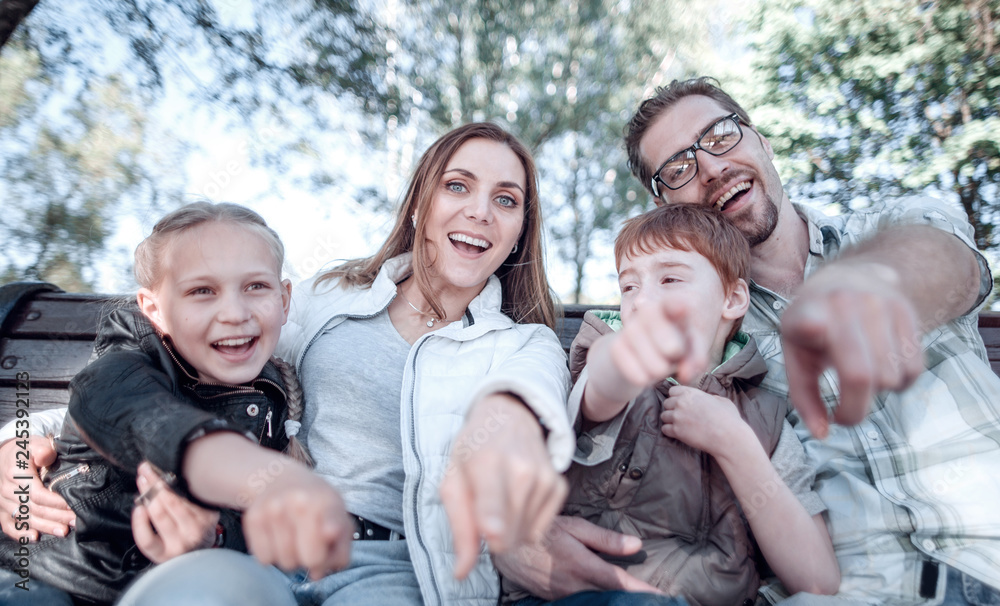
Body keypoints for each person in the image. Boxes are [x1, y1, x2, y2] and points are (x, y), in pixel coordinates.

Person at [2, 122, 574, 606]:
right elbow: (194, 370)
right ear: (423, 203)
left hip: (392, 567)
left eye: (506, 199)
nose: (480, 212)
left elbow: (525, 410)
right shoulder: (336, 296)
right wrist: (22, 436)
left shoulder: (523, 344)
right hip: (255, 544)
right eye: (458, 186)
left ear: (520, 229)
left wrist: (506, 447)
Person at [497, 77, 1000, 604]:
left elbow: (951, 267)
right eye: (679, 168)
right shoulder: (705, 341)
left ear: (761, 140)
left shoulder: (891, 226)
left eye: (720, 137)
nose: (712, 168)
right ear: (668, 204)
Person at [0, 202, 350, 606]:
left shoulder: (273, 406)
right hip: (45, 570)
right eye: (202, 291)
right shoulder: (130, 357)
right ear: (154, 310)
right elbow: (122, 402)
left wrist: (215, 536)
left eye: (256, 286)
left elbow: (242, 526)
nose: (235, 313)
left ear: (285, 299)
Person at [504, 204, 839, 606]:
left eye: (669, 279)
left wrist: (735, 444)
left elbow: (818, 580)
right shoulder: (599, 367)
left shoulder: (762, 419)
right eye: (628, 286)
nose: (642, 301)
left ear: (732, 298)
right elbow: (600, 393)